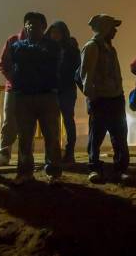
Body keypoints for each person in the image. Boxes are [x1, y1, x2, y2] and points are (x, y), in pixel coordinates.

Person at [9, 12, 63, 185]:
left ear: (43, 27)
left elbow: (50, 60)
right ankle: (25, 172)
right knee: (24, 137)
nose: (31, 26)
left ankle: (53, 172)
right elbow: (13, 62)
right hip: (23, 97)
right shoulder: (16, 46)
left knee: (52, 136)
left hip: (46, 96)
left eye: (36, 23)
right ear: (24, 26)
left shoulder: (52, 47)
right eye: (28, 23)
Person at [80, 14, 129, 183]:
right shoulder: (92, 47)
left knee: (120, 136)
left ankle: (120, 169)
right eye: (112, 27)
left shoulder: (110, 48)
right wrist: (92, 98)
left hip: (115, 98)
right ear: (104, 28)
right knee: (96, 136)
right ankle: (94, 168)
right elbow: (86, 75)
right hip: (101, 99)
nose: (115, 31)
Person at [0, 24, 26, 167]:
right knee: (9, 122)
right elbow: (3, 63)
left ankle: (25, 156)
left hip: (32, 90)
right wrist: (14, 79)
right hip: (13, 88)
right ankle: (4, 154)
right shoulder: (13, 40)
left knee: (28, 124)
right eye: (29, 23)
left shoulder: (42, 43)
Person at [45, 21, 80, 164]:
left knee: (68, 121)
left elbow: (77, 70)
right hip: (51, 90)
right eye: (53, 32)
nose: (55, 35)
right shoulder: (46, 48)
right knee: (51, 123)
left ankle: (69, 152)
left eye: (58, 32)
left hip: (67, 90)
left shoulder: (71, 49)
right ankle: (54, 153)